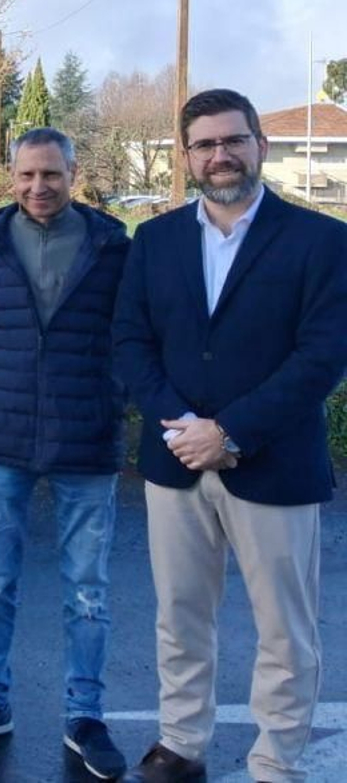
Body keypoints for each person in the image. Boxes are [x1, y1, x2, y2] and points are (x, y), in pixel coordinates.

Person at [113, 89, 347, 783]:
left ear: (259, 146)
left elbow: (323, 356)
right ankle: (181, 742)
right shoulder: (154, 240)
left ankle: (276, 760)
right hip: (176, 459)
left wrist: (232, 431)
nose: (221, 155)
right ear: (186, 157)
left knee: (285, 627)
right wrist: (184, 428)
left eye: (233, 140)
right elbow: (131, 342)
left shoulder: (321, 240)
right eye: (206, 144)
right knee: (180, 615)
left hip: (274, 462)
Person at [0, 127, 131, 781]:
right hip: (2, 439)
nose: (38, 186)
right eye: (26, 175)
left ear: (73, 174)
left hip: (87, 437)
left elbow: (132, 335)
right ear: (11, 176)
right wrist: (1, 389)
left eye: (51, 174)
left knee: (88, 590)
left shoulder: (113, 249)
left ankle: (85, 715)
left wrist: (109, 395)